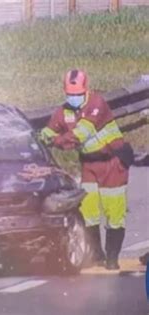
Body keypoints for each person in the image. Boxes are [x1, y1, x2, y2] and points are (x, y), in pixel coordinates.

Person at [41, 69, 133, 270]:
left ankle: (112, 258)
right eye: (70, 94)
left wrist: (55, 140)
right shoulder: (64, 111)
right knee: (87, 210)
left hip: (113, 163)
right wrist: (45, 136)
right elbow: (49, 129)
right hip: (89, 164)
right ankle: (96, 253)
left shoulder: (96, 104)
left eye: (77, 94)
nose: (73, 98)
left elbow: (80, 135)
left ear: (86, 90)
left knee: (114, 212)